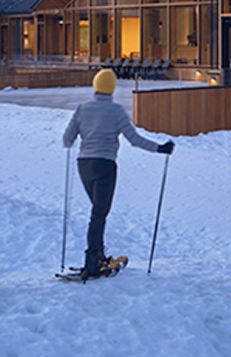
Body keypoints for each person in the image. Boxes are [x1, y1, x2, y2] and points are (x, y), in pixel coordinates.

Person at [63, 68, 173, 276]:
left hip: (84, 165)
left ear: (95, 85)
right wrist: (160, 148)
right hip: (105, 165)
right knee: (99, 214)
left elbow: (67, 140)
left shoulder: (81, 109)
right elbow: (135, 140)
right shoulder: (116, 112)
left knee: (98, 212)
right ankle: (93, 260)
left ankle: (97, 255)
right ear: (112, 88)